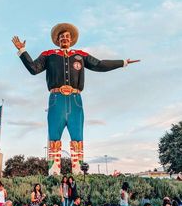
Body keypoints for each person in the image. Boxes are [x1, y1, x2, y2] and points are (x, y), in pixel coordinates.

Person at [12, 23, 140, 175]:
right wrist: (22, 50)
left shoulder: (80, 55)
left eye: (67, 37)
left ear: (71, 39)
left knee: (77, 137)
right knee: (54, 137)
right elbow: (34, 69)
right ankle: (53, 174)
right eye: (61, 37)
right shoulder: (49, 54)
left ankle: (78, 173)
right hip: (56, 98)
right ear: (57, 40)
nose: (64, 39)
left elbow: (99, 64)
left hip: (75, 99)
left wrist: (122, 63)